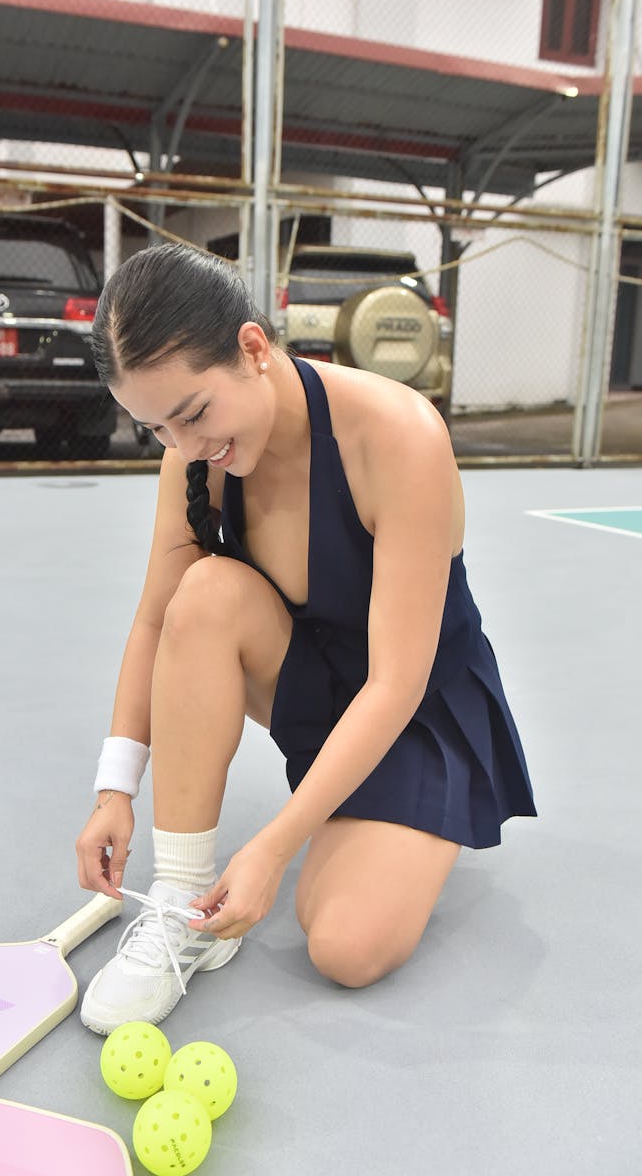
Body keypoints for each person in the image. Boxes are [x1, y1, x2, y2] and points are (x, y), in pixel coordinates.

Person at [75, 242, 536, 1034]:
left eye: (192, 413)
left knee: (347, 949)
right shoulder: (198, 458)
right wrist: (114, 787)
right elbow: (157, 621)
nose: (184, 447)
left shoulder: (398, 436)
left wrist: (274, 846)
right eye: (154, 429)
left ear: (253, 348)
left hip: (419, 708)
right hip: (316, 684)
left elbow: (395, 682)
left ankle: (409, 818)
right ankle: (183, 901)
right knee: (205, 593)